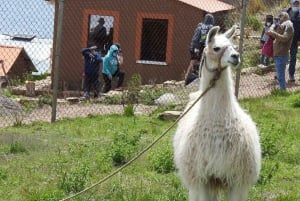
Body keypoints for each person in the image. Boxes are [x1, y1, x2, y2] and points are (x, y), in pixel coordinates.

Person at [266, 12, 294, 90]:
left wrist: (273, 33)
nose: (279, 18)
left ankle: (283, 92)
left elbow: (285, 38)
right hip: (278, 54)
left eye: (280, 16)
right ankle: (282, 91)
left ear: (285, 16)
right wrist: (274, 25)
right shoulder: (283, 25)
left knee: (280, 76)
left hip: (282, 54)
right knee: (279, 76)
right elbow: (272, 30)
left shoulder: (289, 25)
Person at [185, 13, 214, 86]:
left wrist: (195, 47)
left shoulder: (200, 27)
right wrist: (197, 48)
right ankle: (189, 77)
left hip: (195, 46)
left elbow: (195, 38)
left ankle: (188, 77)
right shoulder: (210, 27)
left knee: (193, 62)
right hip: (199, 47)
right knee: (195, 62)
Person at [286, 0, 300, 82]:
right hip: (285, 40)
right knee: (282, 57)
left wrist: (299, 39)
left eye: (297, 3)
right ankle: (278, 74)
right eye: (295, 3)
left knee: (293, 58)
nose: (296, 5)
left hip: (295, 40)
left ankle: (291, 74)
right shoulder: (286, 13)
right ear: (291, 4)